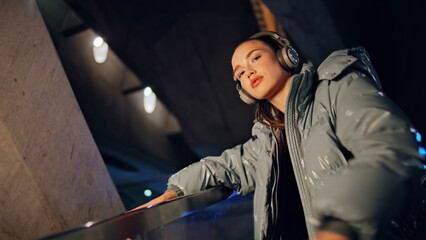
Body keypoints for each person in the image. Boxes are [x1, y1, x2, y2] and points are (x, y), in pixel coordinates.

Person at [134, 31, 426, 240]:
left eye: (255, 58)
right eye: (239, 75)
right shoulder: (267, 141)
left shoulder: (337, 87)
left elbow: (391, 147)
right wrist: (175, 192)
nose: (247, 73)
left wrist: (341, 225)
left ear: (287, 55)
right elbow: (221, 167)